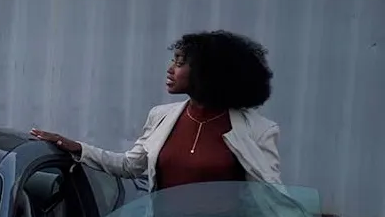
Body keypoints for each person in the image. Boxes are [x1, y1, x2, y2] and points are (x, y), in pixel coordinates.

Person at [30, 30, 281, 189]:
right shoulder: (161, 116)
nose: (170, 68)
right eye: (173, 60)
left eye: (180, 63)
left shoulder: (259, 130)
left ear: (208, 73)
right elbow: (130, 166)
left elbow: (272, 199)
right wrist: (77, 147)